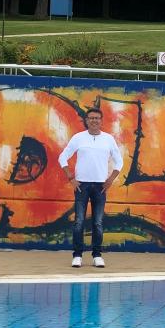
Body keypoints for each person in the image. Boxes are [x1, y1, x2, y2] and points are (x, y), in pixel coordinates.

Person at [58, 108, 123, 268]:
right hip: (81, 185)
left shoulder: (108, 139)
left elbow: (119, 161)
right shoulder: (78, 138)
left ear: (101, 121)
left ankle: (97, 255)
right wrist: (71, 178)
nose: (94, 120)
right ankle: (77, 255)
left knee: (98, 223)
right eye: (91, 118)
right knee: (79, 221)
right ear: (86, 120)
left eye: (97, 118)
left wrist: (110, 180)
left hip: (100, 186)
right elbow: (63, 157)